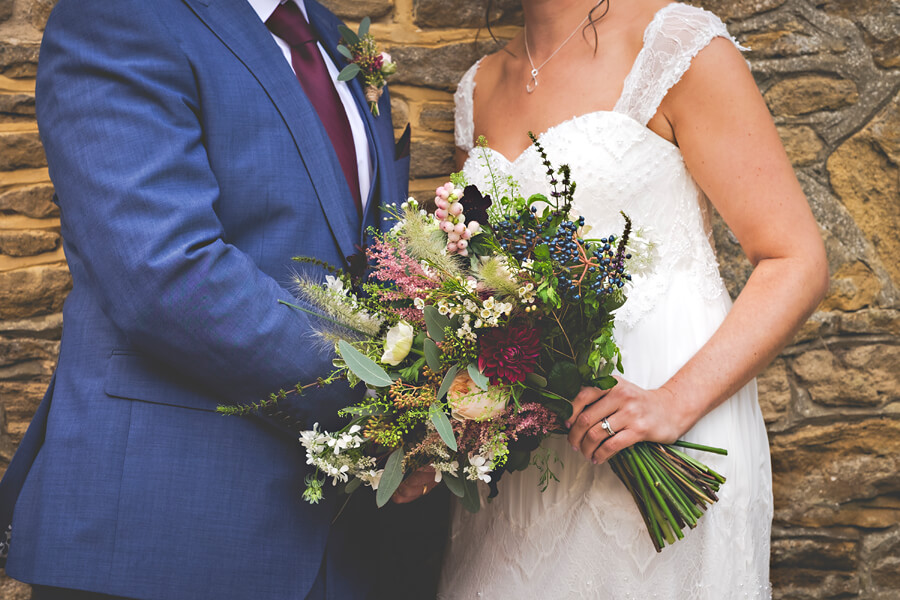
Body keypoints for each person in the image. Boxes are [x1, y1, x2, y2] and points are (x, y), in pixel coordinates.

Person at [0, 0, 446, 598]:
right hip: (171, 524)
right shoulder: (118, 15)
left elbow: (366, 257)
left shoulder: (333, 38)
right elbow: (166, 274)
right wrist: (385, 408)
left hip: (345, 540)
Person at [439, 0, 828, 597]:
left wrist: (674, 401)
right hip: (533, 457)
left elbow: (794, 259)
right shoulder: (479, 85)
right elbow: (477, 283)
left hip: (670, 427)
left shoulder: (676, 47)